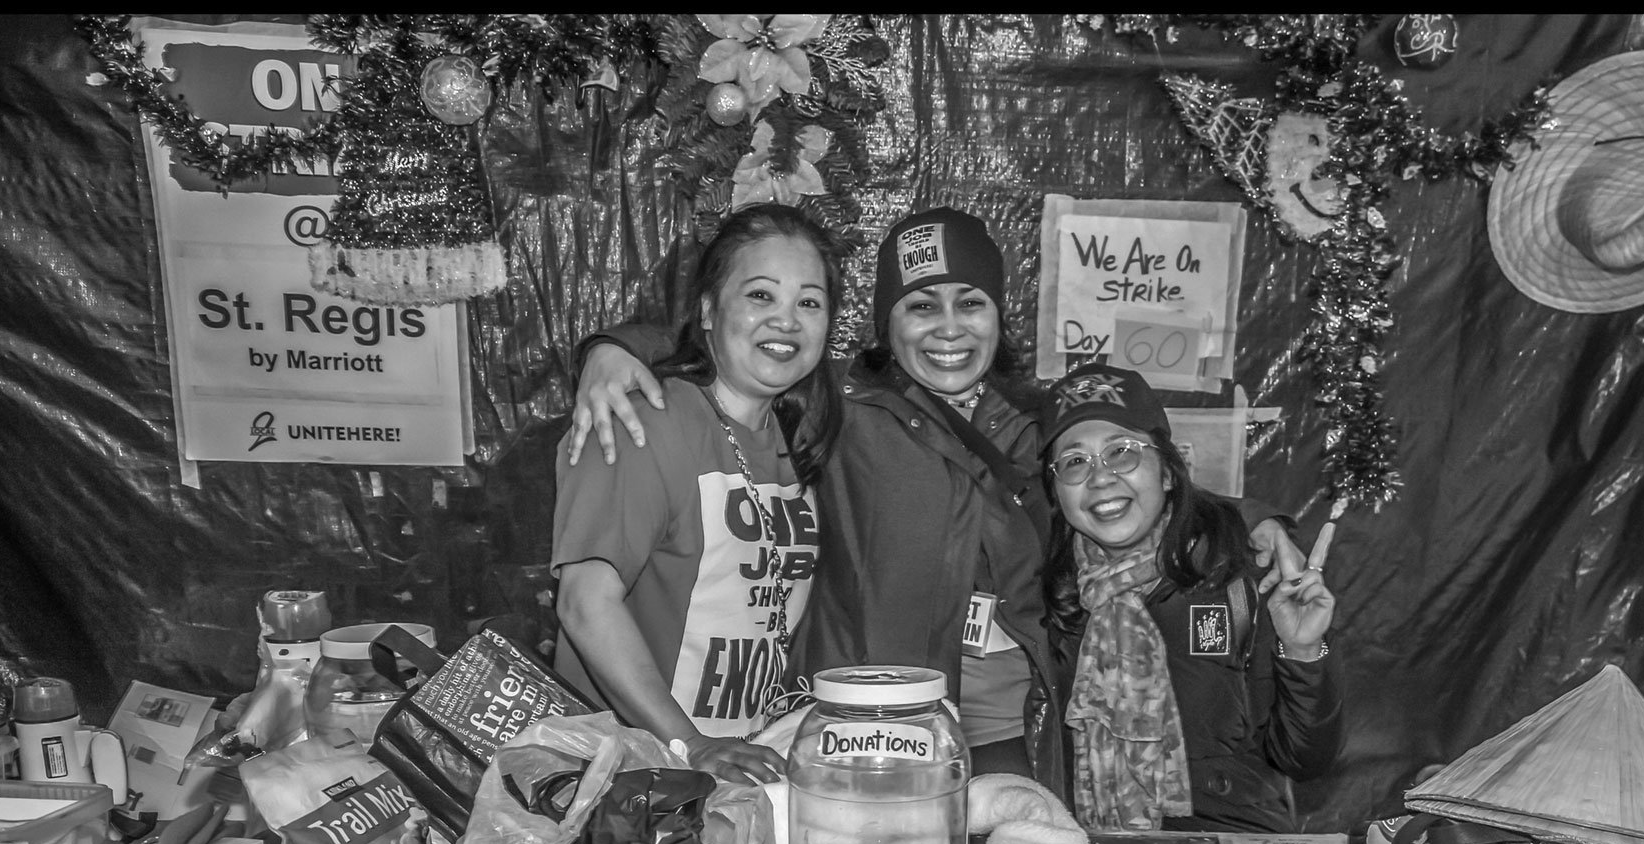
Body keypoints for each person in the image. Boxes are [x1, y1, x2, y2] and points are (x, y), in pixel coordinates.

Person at [568, 207, 1306, 787]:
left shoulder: (1031, 425)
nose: (949, 329)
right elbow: (743, 340)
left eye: (970, 303)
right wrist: (613, 348)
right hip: (876, 729)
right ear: (886, 326)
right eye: (921, 307)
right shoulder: (837, 411)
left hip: (1015, 730)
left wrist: (1260, 520)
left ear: (997, 315)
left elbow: (1133, 480)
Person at [550, 203, 842, 784]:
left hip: (732, 765)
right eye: (760, 295)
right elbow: (585, 604)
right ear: (709, 311)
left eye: (808, 302)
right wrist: (690, 743)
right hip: (628, 777)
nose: (786, 320)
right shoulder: (644, 424)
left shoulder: (794, 439)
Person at [1043, 364, 1342, 832]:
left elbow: (1304, 759)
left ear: (1166, 473)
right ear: (1057, 492)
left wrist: (1303, 651)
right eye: (1075, 462)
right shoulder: (1050, 596)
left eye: (1122, 452)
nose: (1100, 478)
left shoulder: (1243, 579)